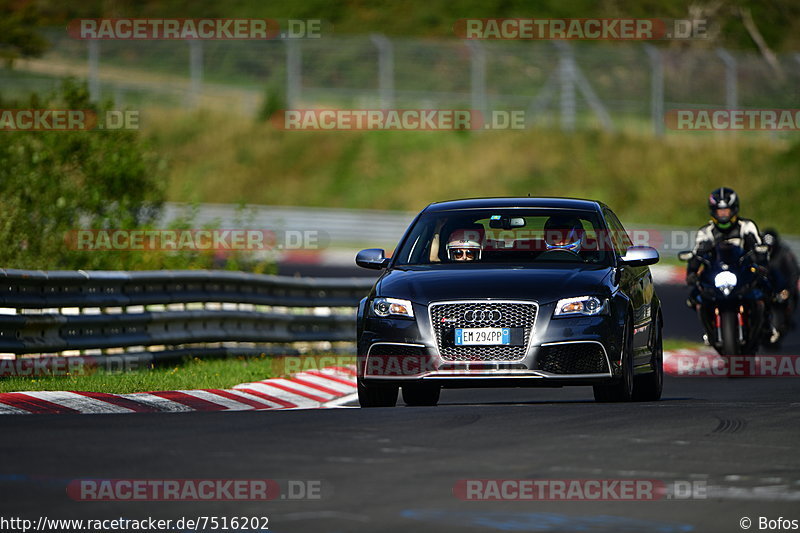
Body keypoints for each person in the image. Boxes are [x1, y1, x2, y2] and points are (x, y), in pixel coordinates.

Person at [686, 187, 764, 285]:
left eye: (726, 210)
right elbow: (697, 255)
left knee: (761, 293)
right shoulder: (706, 232)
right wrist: (692, 273)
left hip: (744, 277)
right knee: (696, 297)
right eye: (720, 211)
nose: (723, 214)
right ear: (714, 211)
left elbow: (761, 252)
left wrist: (760, 262)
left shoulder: (747, 226)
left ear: (733, 209)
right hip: (715, 277)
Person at [763, 228, 799, 329]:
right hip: (765, 286)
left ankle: (789, 316)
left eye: (771, 247)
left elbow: (793, 272)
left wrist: (789, 289)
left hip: (782, 285)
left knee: (793, 295)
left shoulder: (784, 253)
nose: (769, 250)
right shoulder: (758, 255)